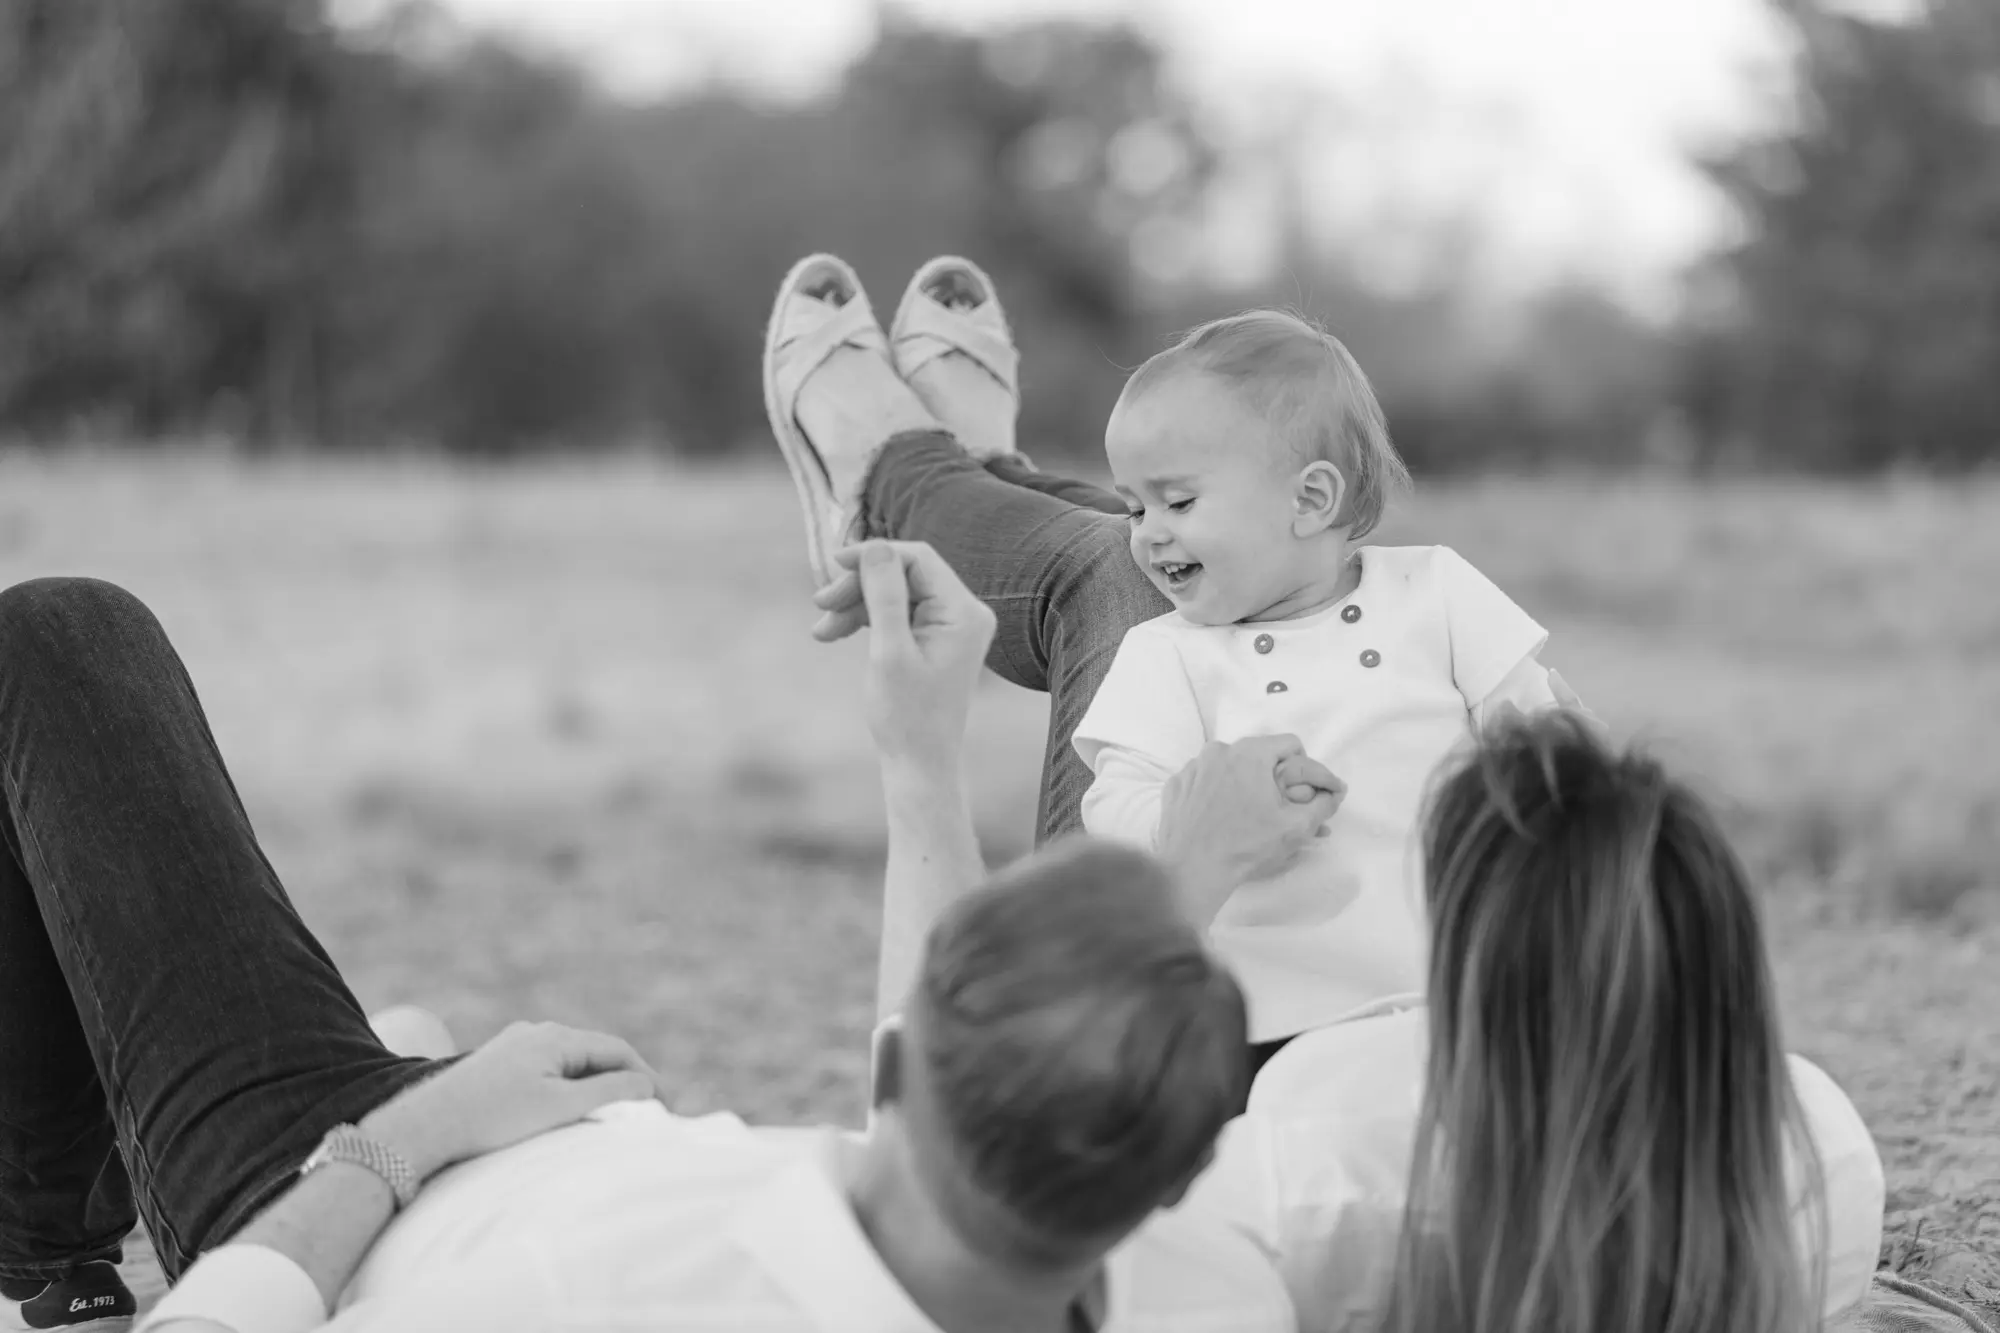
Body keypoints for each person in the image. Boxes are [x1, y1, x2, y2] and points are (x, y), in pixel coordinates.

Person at [762, 252, 1888, 1332]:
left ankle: (909, 481)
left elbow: (989, 1171)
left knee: (1113, 566)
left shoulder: (1306, 1165)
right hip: (1447, 991)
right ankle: (959, 474)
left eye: (1168, 499)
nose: (1153, 530)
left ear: (1313, 497)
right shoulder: (1812, 1154)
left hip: (1291, 1020)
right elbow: (1571, 781)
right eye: (1142, 498)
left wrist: (1195, 840)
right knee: (1131, 557)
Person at [0, 567, 1294, 1333]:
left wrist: (413, 1134)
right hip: (502, 1145)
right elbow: (1032, 1067)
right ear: (1175, 1175)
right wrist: (921, 747)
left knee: (59, 641)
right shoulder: (1212, 1290)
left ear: (897, 1090)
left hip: (335, 1187)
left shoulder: (612, 1293)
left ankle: (48, 1278)